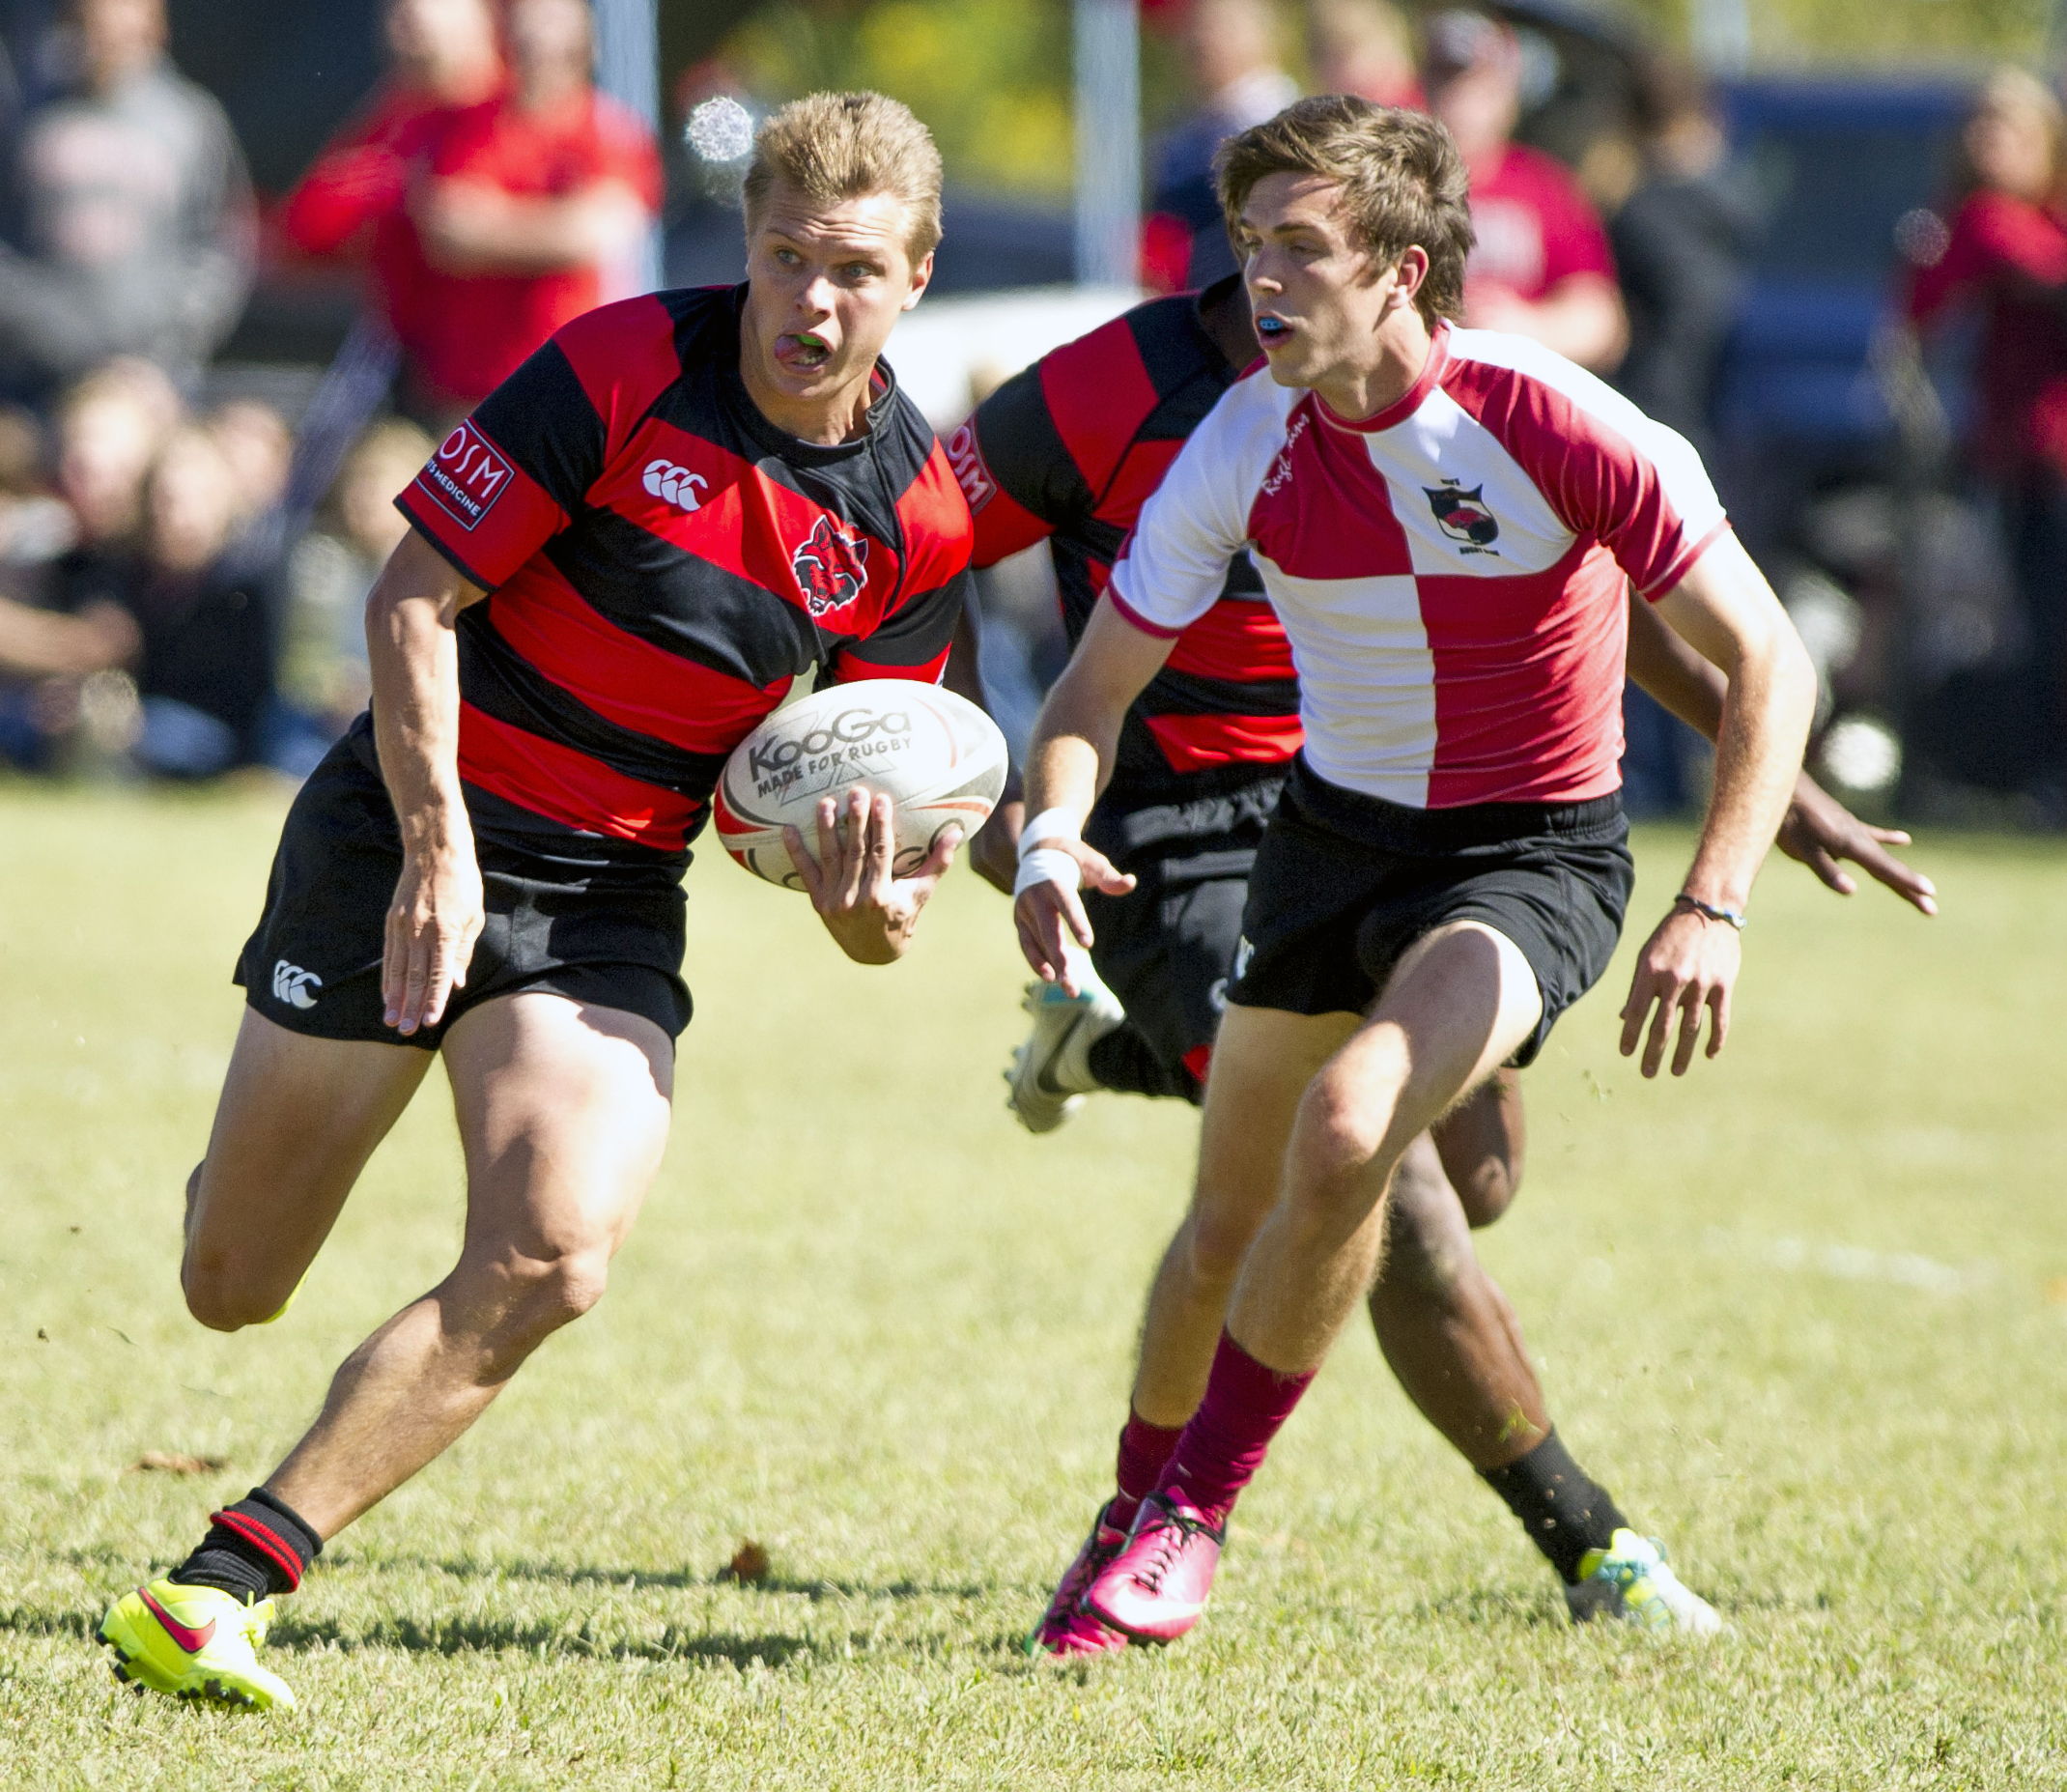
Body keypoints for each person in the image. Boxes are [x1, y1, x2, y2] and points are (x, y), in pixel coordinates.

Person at [98, 90, 974, 1711]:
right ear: (748, 252)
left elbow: (874, 895)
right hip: (406, 830)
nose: (812, 301)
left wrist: (866, 898)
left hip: (603, 893)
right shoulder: (625, 365)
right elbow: (412, 591)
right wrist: (438, 849)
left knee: (560, 1250)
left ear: (916, 275)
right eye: (785, 257)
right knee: (232, 1283)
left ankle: (229, 1580)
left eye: (853, 268)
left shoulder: (917, 521)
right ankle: (266, 1141)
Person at [951, 266, 1932, 1654]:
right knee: (1377, 1186)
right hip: (1182, 839)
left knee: (1474, 1176)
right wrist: (981, 783)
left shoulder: (1493, 403)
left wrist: (1764, 780)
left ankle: (1109, 1049)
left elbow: (1589, 579)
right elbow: (922, 537)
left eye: (1317, 243)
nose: (1283, 274)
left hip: (1424, 818)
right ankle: (1575, 1538)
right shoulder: (1149, 397)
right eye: (1265, 241)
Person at [1904, 68, 2067, 811]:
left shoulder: (2021, 222)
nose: (1993, 147)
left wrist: (1996, 228)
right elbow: (1922, 305)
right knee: (2036, 627)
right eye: (1983, 131)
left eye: (2011, 132)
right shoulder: (1970, 219)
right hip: (2018, 460)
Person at [403, 0, 663, 419]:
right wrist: (553, 224)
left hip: (570, 381)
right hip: (470, 383)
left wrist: (491, 224)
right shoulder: (471, 125)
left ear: (585, 47)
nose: (540, 46)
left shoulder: (607, 130)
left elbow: (600, 234)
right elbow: (444, 233)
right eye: (528, 35)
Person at [0, 0, 253, 401]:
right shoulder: (26, 114)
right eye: (92, 18)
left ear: (154, 26)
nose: (105, 32)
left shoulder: (191, 120)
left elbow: (223, 251)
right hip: (31, 377)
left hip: (151, 382)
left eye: (121, 17)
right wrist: (43, 332)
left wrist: (163, 345)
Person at [276, 0, 506, 412]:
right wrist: (401, 191)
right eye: (398, 18)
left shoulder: (511, 113)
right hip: (421, 369)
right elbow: (305, 226)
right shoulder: (401, 113)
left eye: (418, 19)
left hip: (508, 371)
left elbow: (459, 226)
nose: (403, 30)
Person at [1422, 10, 1626, 375]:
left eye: (1475, 82)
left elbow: (1600, 318)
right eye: (1444, 78)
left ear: (1508, 92)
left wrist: (1528, 328)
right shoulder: (1395, 184)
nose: (1457, 97)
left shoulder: (1543, 187)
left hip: (1513, 393)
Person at [273, 419, 435, 773]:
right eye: (358, 484)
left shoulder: (430, 575)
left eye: (378, 485)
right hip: (323, 716)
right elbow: (302, 662)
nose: (362, 499)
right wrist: (334, 689)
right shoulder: (321, 562)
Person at [1147, 0, 1302, 293]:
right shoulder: (1182, 139)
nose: (1203, 40)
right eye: (1195, 28)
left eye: (1222, 27)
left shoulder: (1285, 126)